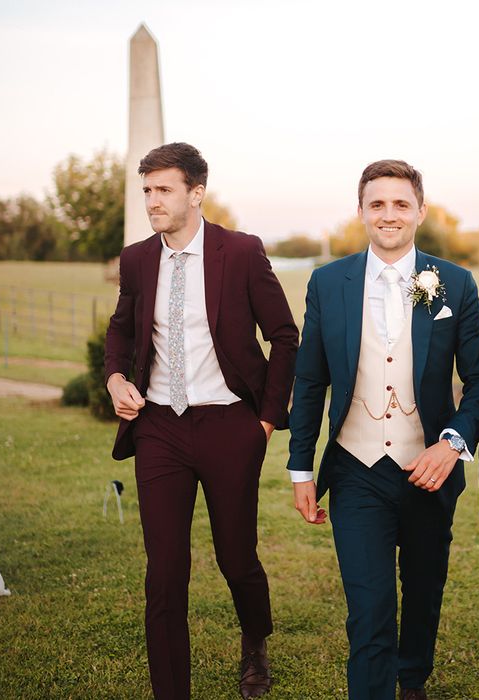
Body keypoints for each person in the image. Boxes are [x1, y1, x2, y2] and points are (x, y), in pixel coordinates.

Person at [288, 160, 479, 700]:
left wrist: (452, 444)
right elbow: (309, 380)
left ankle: (413, 680)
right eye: (376, 203)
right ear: (361, 212)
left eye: (401, 203)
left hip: (428, 469)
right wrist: (301, 468)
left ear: (421, 211)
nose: (389, 214)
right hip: (356, 470)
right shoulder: (328, 283)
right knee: (370, 607)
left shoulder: (456, 283)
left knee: (422, 594)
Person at [104, 142, 298, 700]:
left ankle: (255, 641)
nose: (152, 201)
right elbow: (120, 331)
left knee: (236, 556)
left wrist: (263, 420)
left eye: (163, 190)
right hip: (160, 426)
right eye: (147, 191)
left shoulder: (241, 252)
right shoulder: (137, 259)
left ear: (196, 193)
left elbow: (284, 337)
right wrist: (117, 380)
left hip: (228, 425)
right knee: (164, 571)